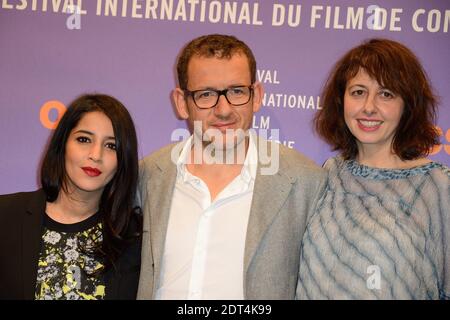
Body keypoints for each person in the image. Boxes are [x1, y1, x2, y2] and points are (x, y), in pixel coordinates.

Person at [136, 34, 326, 300]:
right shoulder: (147, 175)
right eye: (206, 95)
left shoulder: (305, 182)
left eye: (236, 91)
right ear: (182, 103)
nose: (223, 110)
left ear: (256, 96)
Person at [296, 38, 449, 300]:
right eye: (358, 92)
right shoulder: (330, 175)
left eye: (386, 94)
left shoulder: (437, 187)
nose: (369, 106)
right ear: (341, 100)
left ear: (407, 105)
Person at [0, 94, 142, 300]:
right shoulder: (6, 215)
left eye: (111, 146)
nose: (96, 155)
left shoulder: (134, 237)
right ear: (62, 145)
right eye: (84, 139)